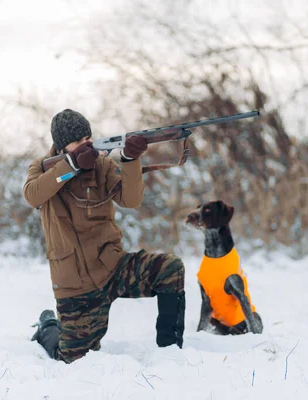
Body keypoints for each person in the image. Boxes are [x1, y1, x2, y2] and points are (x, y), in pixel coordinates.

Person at [23, 109, 185, 363]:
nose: (86, 144)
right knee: (73, 358)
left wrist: (130, 159)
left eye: (88, 137)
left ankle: (170, 350)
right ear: (61, 146)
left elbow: (131, 200)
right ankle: (48, 328)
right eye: (78, 141)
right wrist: (72, 165)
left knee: (170, 269)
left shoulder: (103, 165)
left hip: (113, 267)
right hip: (76, 285)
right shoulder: (42, 169)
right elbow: (33, 195)